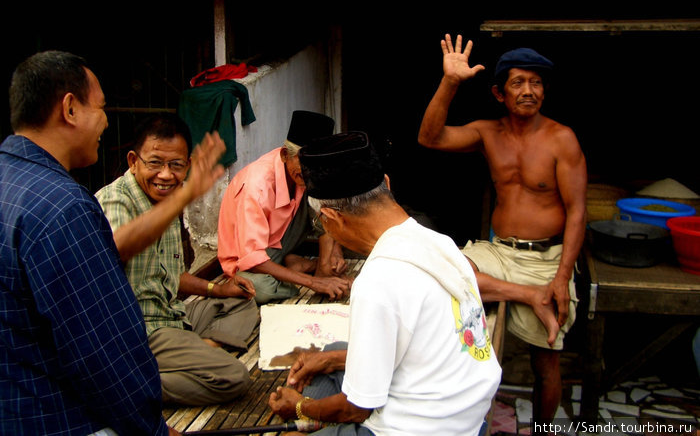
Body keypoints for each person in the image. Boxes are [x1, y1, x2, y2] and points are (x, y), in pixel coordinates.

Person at [267, 131, 502, 435]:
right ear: (387, 184)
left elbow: (356, 408)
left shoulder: (378, 280)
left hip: (423, 428)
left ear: (331, 217)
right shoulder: (442, 244)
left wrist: (298, 407)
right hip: (467, 411)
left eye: (320, 222)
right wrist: (332, 360)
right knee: (337, 350)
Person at [0, 51, 176, 435]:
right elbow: (105, 355)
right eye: (100, 107)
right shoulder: (63, 207)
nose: (106, 120)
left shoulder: (9, 183)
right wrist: (153, 427)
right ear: (70, 109)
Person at [417, 35, 587, 429]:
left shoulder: (562, 138)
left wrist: (562, 278)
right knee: (442, 269)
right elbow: (429, 138)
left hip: (546, 256)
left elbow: (578, 212)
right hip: (499, 251)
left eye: (536, 82)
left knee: (545, 359)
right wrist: (450, 82)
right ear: (499, 93)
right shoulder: (487, 133)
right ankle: (529, 297)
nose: (529, 91)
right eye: (518, 83)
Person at [95, 112, 258, 406]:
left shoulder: (168, 196)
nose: (166, 175)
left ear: (189, 165)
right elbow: (117, 248)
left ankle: (205, 346)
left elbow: (169, 275)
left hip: (173, 314)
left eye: (176, 165)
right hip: (142, 329)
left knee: (243, 301)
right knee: (232, 377)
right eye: (155, 163)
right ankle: (118, 383)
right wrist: (183, 197)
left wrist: (217, 289)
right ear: (133, 161)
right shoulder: (117, 198)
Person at [218, 110, 352, 304]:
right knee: (259, 289)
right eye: (304, 162)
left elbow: (328, 208)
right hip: (249, 262)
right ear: (284, 155)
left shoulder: (309, 173)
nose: (310, 172)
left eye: (318, 163)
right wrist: (313, 283)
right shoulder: (256, 186)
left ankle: (318, 267)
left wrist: (334, 254)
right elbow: (252, 258)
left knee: (325, 189)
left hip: (282, 240)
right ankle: (298, 270)